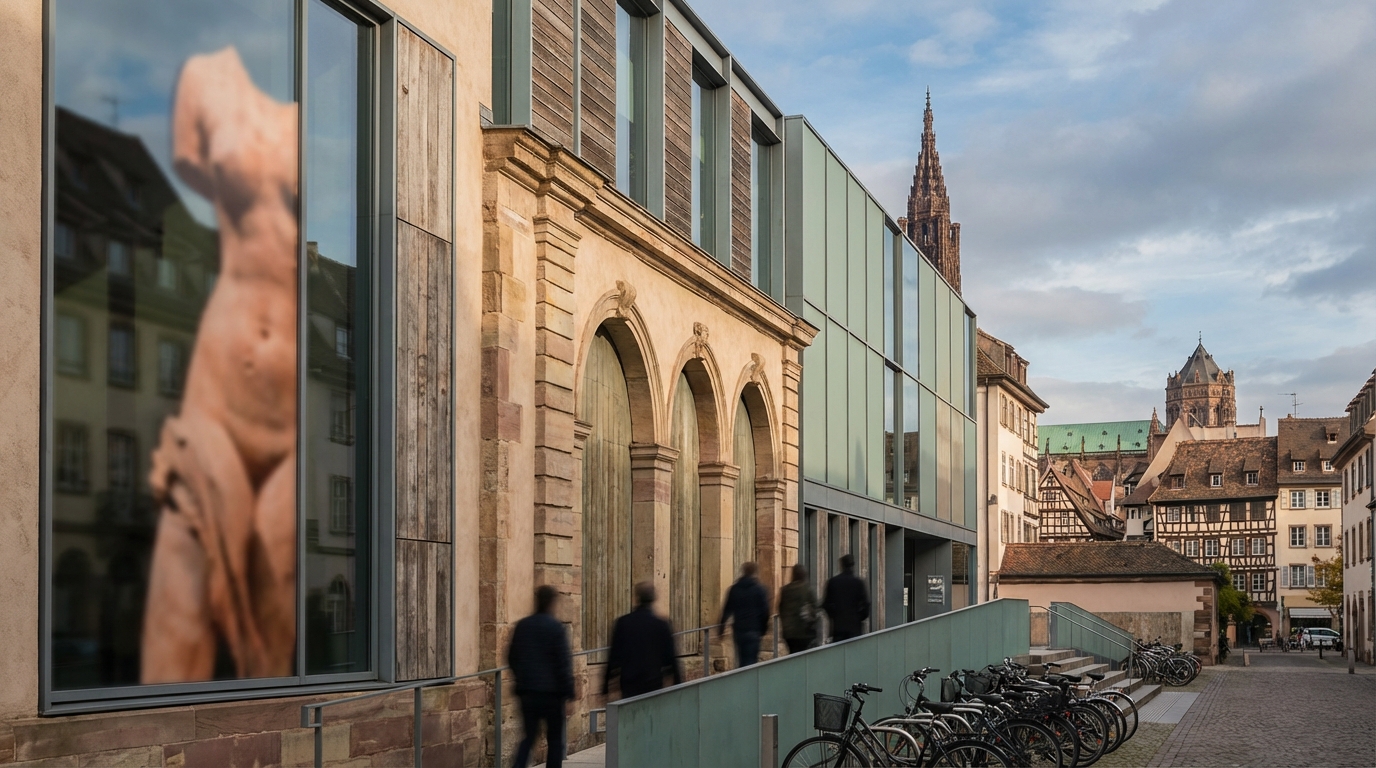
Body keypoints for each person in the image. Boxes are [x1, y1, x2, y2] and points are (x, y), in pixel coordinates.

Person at [507, 586, 574, 768]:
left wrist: (521, 678)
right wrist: (569, 693)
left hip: (527, 692)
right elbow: (563, 663)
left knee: (528, 737)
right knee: (554, 740)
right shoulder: (555, 627)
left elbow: (512, 657)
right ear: (552, 603)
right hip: (552, 694)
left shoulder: (523, 626)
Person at [604, 582, 682, 699]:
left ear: (637, 598)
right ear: (653, 599)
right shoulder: (661, 625)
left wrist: (605, 686)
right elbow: (671, 657)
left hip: (629, 683)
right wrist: (678, 683)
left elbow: (613, 656)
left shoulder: (623, 623)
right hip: (653, 683)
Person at [719, 562, 770, 667]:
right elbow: (765, 611)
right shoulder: (760, 589)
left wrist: (721, 627)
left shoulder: (734, 589)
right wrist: (764, 628)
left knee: (742, 659)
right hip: (754, 630)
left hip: (739, 630)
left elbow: (727, 609)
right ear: (755, 573)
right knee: (751, 660)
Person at [822, 554, 871, 642]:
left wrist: (834, 616)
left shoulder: (833, 582)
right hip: (855, 627)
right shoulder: (858, 583)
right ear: (853, 565)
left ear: (841, 565)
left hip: (838, 627)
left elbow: (826, 604)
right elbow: (866, 605)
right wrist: (860, 617)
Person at [777, 563, 819, 654]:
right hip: (804, 631)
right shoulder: (807, 589)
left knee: (793, 653)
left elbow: (780, 608)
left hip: (789, 632)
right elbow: (815, 607)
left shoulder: (785, 590)